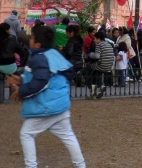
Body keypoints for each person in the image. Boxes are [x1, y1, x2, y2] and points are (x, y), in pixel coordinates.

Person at [7, 24, 86, 168]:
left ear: (37, 44)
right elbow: (55, 76)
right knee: (68, 135)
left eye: (31, 37)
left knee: (27, 134)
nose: (29, 39)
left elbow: (41, 81)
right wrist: (22, 80)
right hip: (60, 104)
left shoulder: (39, 58)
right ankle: (81, 165)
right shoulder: (54, 54)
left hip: (46, 106)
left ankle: (31, 166)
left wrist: (22, 90)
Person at [87, 31, 114, 99]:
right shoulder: (109, 44)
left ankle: (93, 89)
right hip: (109, 66)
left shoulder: (99, 45)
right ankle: (101, 86)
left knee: (89, 68)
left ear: (99, 39)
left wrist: (90, 54)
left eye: (95, 39)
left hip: (101, 65)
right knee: (97, 72)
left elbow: (97, 56)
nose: (94, 40)